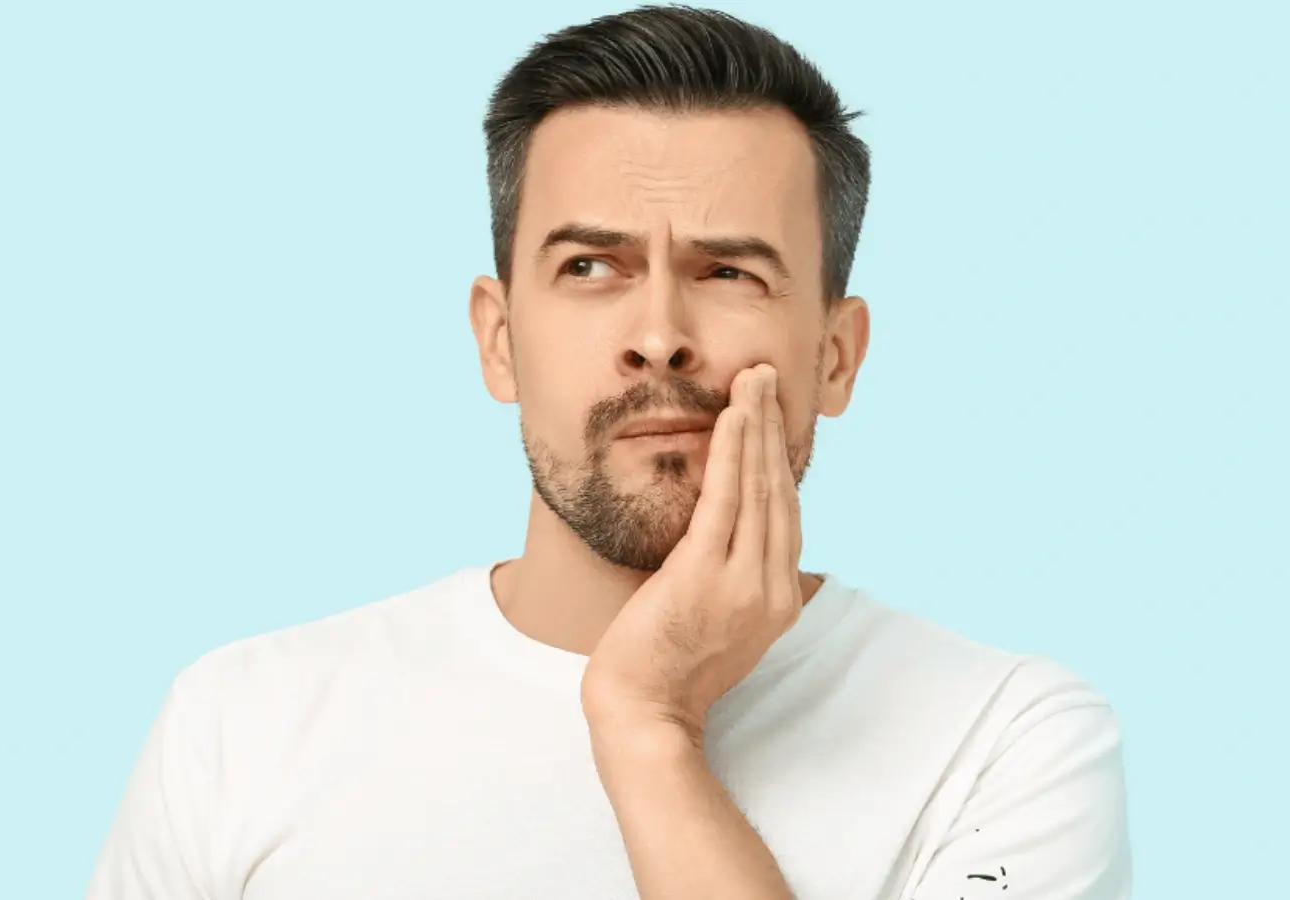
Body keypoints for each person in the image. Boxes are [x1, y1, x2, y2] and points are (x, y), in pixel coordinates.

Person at [86, 6, 1132, 898]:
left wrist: (648, 723)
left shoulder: (1008, 742)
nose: (658, 332)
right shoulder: (239, 726)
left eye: (729, 272)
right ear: (498, 339)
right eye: (590, 265)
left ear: (834, 357)